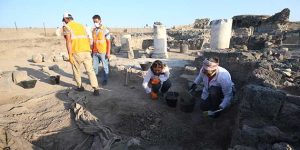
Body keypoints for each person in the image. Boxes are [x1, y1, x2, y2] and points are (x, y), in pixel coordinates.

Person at [62, 12, 100, 96]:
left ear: (65, 19)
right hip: (86, 51)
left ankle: (80, 87)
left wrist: (70, 55)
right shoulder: (81, 25)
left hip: (77, 52)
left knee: (76, 70)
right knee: (90, 70)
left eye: (64, 20)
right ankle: (96, 89)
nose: (64, 22)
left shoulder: (67, 26)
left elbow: (68, 41)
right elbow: (88, 37)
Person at [91, 15, 111, 86]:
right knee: (94, 67)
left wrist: (108, 52)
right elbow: (93, 42)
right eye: (94, 22)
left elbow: (108, 42)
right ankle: (94, 80)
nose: (95, 23)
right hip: (95, 52)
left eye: (96, 21)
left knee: (105, 66)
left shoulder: (105, 30)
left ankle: (105, 80)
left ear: (100, 21)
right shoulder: (93, 30)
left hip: (103, 52)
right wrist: (92, 51)